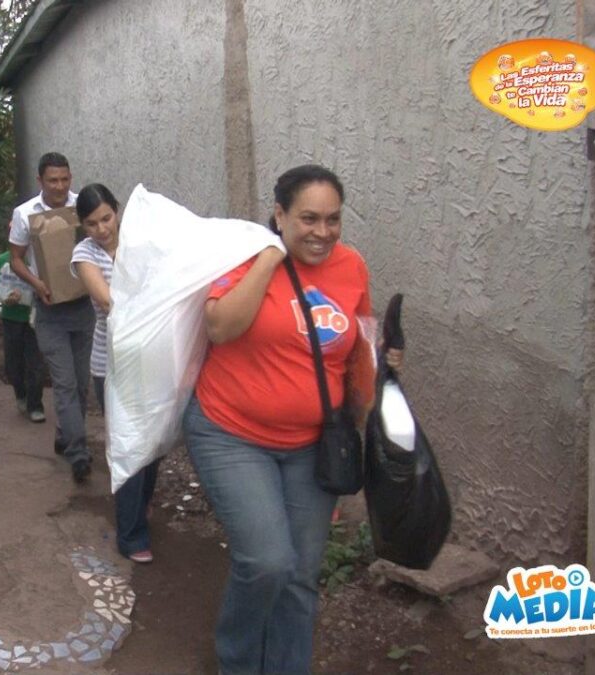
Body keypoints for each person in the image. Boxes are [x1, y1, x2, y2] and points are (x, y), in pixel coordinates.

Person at [182, 165, 402, 674]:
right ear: (279, 214)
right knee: (266, 562)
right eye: (307, 218)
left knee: (301, 574)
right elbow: (220, 327)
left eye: (333, 220)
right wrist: (269, 258)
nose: (322, 232)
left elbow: (359, 341)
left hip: (312, 444)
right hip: (230, 434)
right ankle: (236, 662)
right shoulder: (246, 257)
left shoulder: (352, 267)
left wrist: (379, 370)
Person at [71, 184, 160, 564]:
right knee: (128, 447)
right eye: (91, 223)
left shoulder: (141, 243)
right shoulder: (83, 255)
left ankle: (138, 508)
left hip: (151, 359)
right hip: (110, 367)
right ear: (83, 226)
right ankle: (130, 535)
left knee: (154, 444)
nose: (102, 229)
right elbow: (107, 302)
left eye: (106, 218)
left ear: (118, 211)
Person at [9, 152, 96, 483]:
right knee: (64, 382)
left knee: (80, 382)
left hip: (82, 307)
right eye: (52, 181)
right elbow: (16, 258)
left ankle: (64, 434)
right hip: (48, 308)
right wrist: (36, 283)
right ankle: (78, 453)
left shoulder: (82, 205)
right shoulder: (25, 214)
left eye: (65, 179)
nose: (60, 187)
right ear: (40, 181)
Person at [0, 245, 46, 422]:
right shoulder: (2, 260)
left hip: (34, 317)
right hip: (11, 317)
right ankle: (20, 394)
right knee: (13, 363)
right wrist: (6, 296)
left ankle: (35, 405)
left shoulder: (38, 259)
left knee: (35, 363)